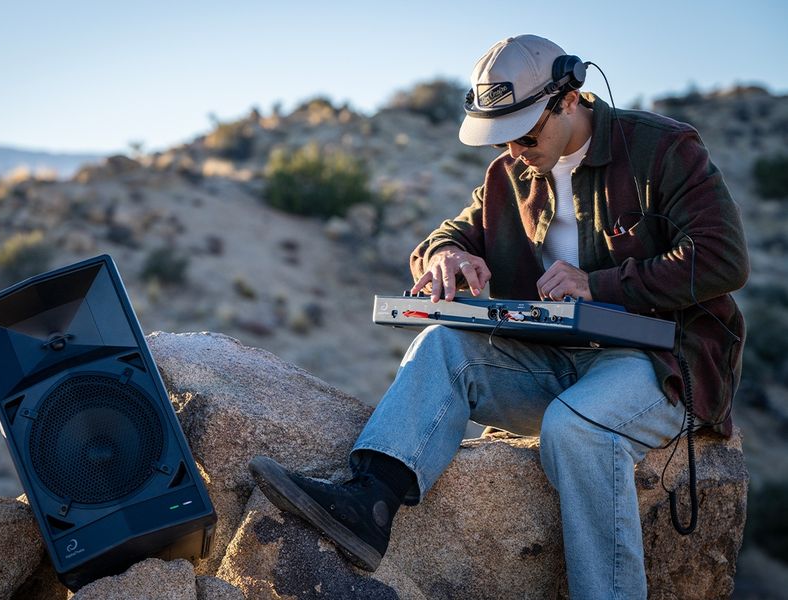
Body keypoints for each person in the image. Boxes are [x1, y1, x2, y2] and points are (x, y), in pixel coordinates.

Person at [249, 34, 748, 599]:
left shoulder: (663, 149)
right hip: (554, 360)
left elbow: (723, 258)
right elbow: (449, 234)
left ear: (568, 97)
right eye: (500, 137)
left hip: (657, 362)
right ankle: (368, 504)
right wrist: (446, 256)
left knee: (577, 427)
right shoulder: (507, 175)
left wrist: (601, 285)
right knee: (444, 345)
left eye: (524, 132)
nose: (513, 150)